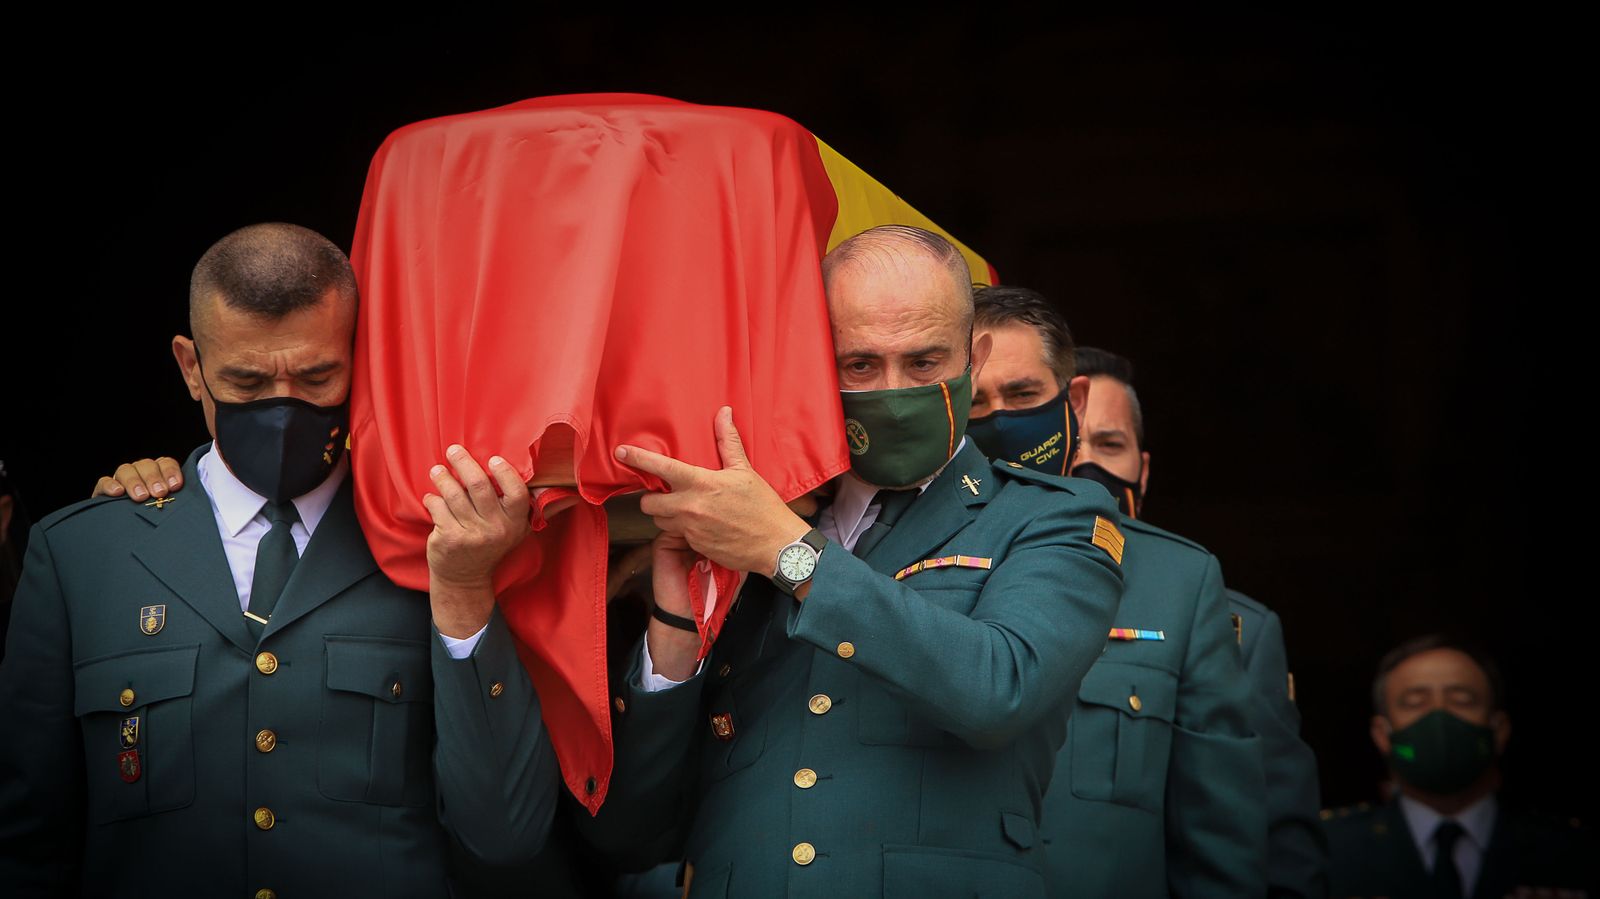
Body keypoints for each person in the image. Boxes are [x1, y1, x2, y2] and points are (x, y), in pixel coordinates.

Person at [0, 223, 558, 896]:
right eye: (246, 380)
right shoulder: (82, 556)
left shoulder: (439, 539)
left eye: (317, 376)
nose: (282, 409)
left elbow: (505, 838)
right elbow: (30, 846)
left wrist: (464, 589)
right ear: (190, 367)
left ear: (362, 358)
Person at [576, 225, 1126, 896]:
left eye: (924, 363)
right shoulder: (744, 528)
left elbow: (998, 689)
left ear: (973, 358)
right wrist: (674, 633)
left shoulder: (1053, 515)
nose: (894, 392)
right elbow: (628, 834)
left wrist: (789, 552)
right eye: (860, 365)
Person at [967, 287, 1269, 898]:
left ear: (1072, 401)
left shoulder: (1180, 581)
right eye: (976, 401)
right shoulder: (891, 553)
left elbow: (1219, 842)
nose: (1000, 420)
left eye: (1022, 395)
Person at [1070, 344, 1329, 898]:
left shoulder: (1239, 631)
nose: (1087, 465)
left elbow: (1274, 846)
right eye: (1070, 444)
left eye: (1109, 445)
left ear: (1143, 471)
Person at [1325, 635, 1595, 898]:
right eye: (1415, 703)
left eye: (1462, 700)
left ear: (1499, 729)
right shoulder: (1327, 850)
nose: (1439, 716)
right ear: (1382, 735)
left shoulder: (1574, 851)